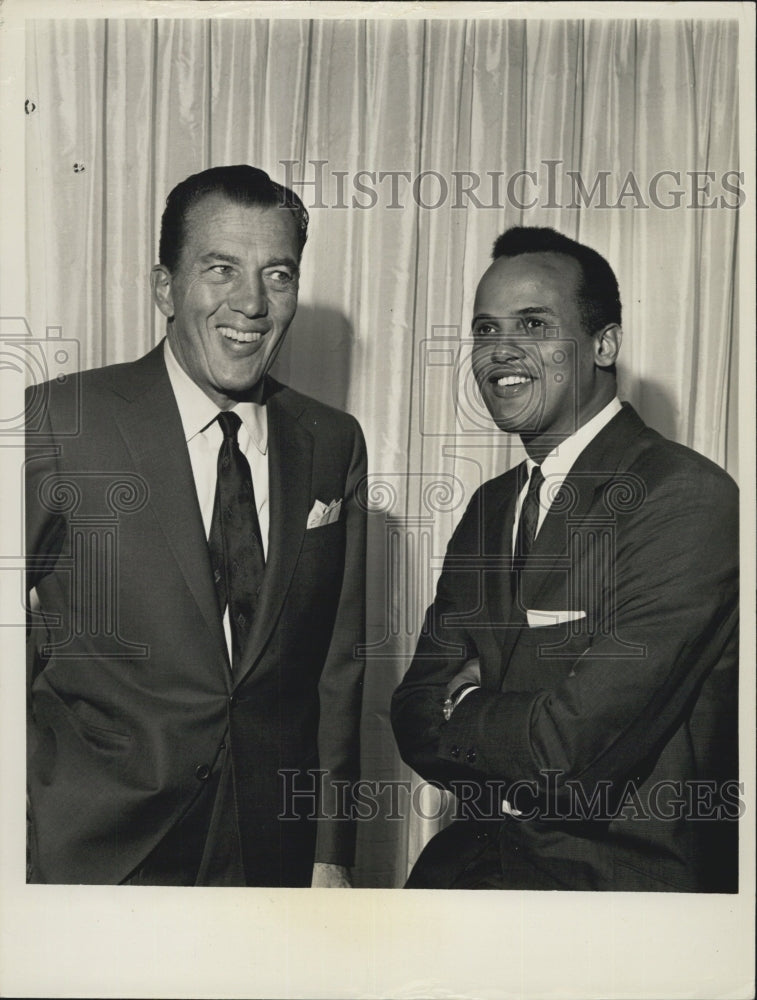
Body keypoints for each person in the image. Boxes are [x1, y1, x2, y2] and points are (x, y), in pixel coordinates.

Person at [25, 165, 366, 887]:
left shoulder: (332, 440)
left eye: (278, 275)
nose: (251, 303)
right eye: (221, 270)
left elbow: (336, 665)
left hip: (272, 854)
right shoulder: (59, 422)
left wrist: (330, 847)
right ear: (164, 289)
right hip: (95, 853)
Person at [391, 227, 739, 892]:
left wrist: (465, 699)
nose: (500, 352)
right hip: (464, 884)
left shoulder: (685, 499)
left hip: (612, 904)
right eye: (484, 329)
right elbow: (410, 711)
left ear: (603, 344)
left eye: (532, 324)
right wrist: (509, 708)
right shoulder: (491, 508)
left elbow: (565, 754)